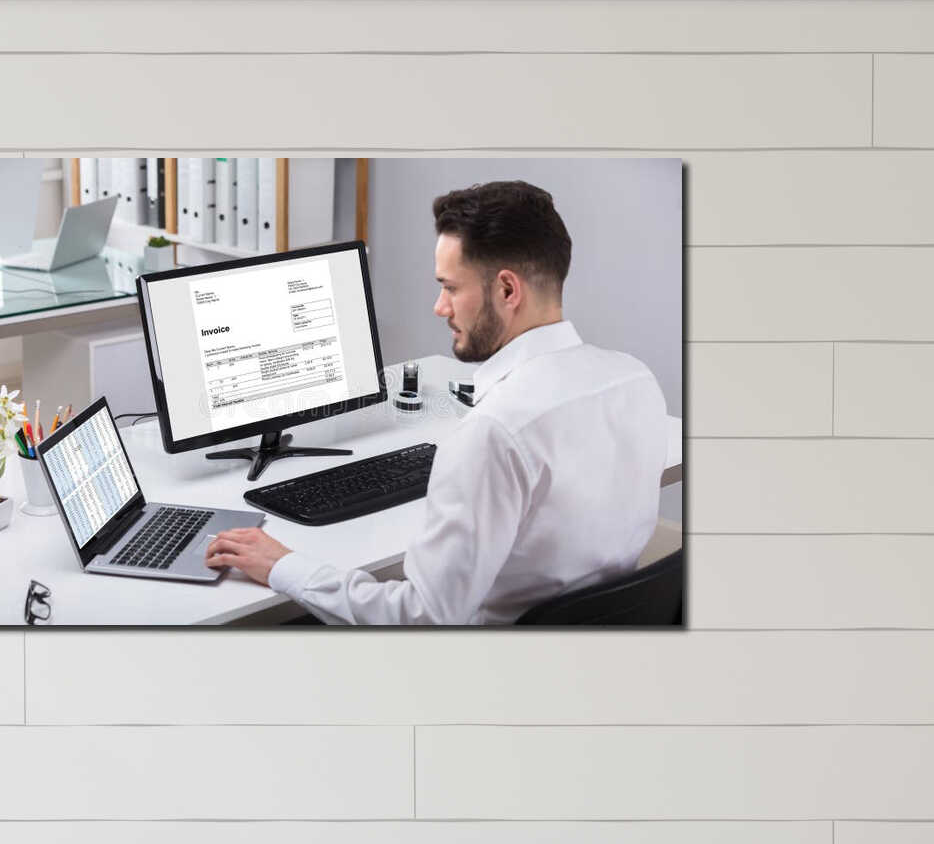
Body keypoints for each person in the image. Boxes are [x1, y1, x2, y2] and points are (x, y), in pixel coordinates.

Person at [204, 179, 669, 625]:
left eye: (450, 287)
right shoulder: (634, 379)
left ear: (507, 290)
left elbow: (422, 619)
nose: (439, 307)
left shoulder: (495, 432)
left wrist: (284, 566)